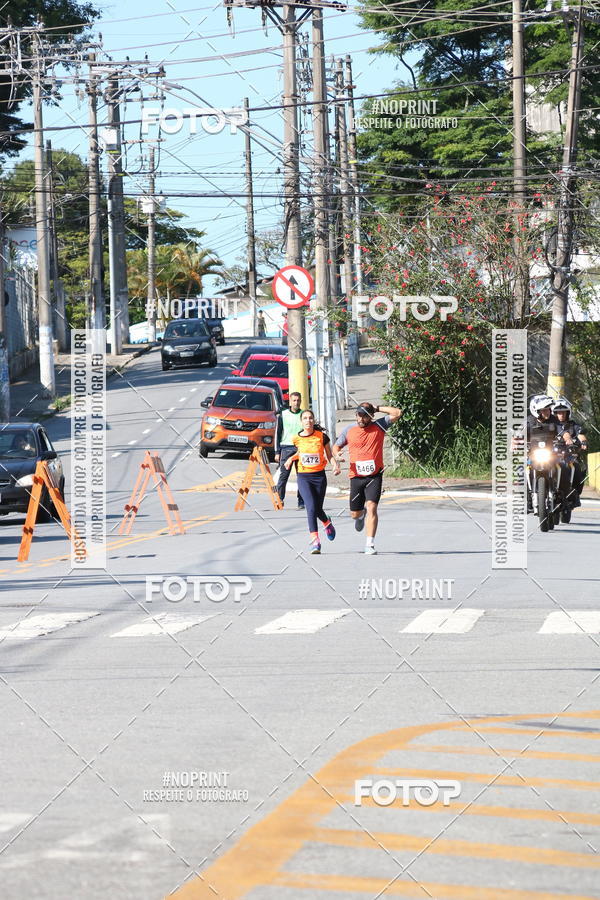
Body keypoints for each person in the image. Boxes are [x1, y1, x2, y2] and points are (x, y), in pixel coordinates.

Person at [332, 402, 402, 555]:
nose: (361, 419)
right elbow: (336, 446)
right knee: (354, 514)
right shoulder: (349, 430)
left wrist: (377, 408)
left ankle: (369, 544)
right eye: (359, 415)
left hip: (374, 476)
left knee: (372, 507)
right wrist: (337, 455)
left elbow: (397, 413)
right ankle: (360, 515)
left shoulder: (380, 426)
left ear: (371, 416)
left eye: (364, 416)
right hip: (356, 477)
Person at [284, 409, 341, 554]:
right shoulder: (296, 438)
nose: (308, 421)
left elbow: (329, 456)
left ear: (313, 420)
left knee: (316, 508)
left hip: (319, 477)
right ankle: (315, 541)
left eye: (310, 418)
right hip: (304, 477)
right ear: (301, 421)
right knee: (310, 507)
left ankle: (327, 522)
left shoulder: (322, 437)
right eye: (305, 418)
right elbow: (301, 452)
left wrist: (335, 465)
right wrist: (291, 459)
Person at [552, 396, 588, 507]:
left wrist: (583, 442)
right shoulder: (550, 424)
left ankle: (575, 494)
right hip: (551, 454)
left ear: (568, 413)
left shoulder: (573, 425)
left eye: (563, 413)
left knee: (577, 467)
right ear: (554, 413)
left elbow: (581, 434)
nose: (561, 415)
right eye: (558, 413)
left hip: (568, 454)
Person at [275, 391, 304, 509]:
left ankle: (301, 501)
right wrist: (277, 452)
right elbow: (278, 433)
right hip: (286, 448)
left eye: (298, 400)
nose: (296, 402)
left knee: (301, 476)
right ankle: (279, 499)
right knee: (283, 476)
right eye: (294, 400)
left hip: (300, 448)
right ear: (290, 402)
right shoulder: (283, 414)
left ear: (301, 401)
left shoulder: (304, 415)